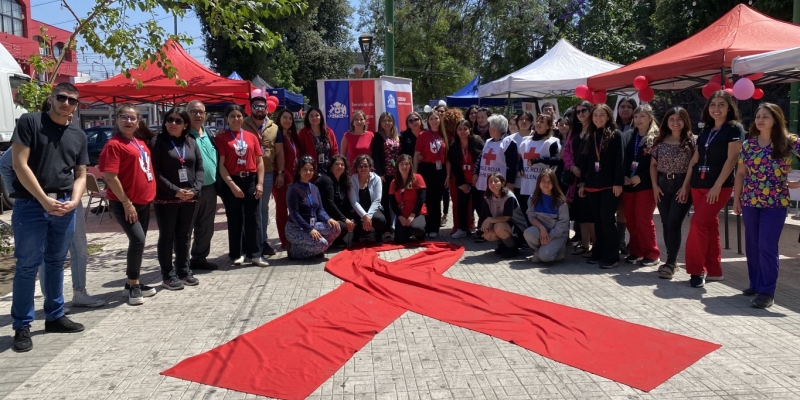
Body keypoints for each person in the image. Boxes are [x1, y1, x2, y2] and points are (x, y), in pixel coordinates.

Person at [9, 83, 89, 352]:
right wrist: (44, 200)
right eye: (62, 98)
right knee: (27, 266)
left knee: (56, 262)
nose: (67, 103)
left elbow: (80, 174)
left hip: (65, 205)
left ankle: (54, 316)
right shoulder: (30, 122)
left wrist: (75, 201)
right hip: (32, 205)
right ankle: (22, 325)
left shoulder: (78, 134)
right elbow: (19, 164)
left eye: (72, 101)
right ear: (51, 98)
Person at [733, 103, 799, 308]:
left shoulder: (790, 142)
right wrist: (736, 198)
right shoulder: (749, 145)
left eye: (766, 117)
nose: (760, 120)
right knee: (752, 245)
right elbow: (741, 173)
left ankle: (767, 292)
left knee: (767, 246)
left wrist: (797, 184)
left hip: (776, 203)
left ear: (776, 119)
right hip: (750, 201)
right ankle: (756, 284)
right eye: (758, 117)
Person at [684, 90, 744, 288]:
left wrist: (717, 185)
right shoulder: (705, 130)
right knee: (709, 226)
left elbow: (732, 159)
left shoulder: (734, 129)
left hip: (718, 186)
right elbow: (695, 159)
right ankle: (715, 271)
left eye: (721, 105)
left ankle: (696, 270)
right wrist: (685, 185)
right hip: (697, 184)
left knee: (697, 223)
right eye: (712, 105)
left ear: (729, 108)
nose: (716, 109)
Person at [99, 104, 157, 306]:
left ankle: (131, 283)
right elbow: (110, 176)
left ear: (138, 121)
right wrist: (126, 202)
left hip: (142, 201)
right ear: (117, 119)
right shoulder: (114, 144)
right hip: (125, 202)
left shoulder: (139, 141)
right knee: (138, 241)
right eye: (124, 117)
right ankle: (133, 284)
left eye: (132, 118)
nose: (128, 121)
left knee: (138, 243)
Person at [150, 107, 204, 290]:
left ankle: (183, 270)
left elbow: (199, 168)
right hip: (167, 197)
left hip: (189, 197)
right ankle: (168, 274)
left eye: (178, 121)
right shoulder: (158, 142)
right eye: (170, 119)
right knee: (167, 236)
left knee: (184, 235)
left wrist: (195, 189)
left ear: (185, 125)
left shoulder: (191, 142)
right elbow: (155, 172)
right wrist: (175, 190)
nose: (173, 123)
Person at [215, 105, 269, 267]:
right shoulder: (222, 138)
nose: (236, 119)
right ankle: (237, 253)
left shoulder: (251, 137)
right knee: (235, 218)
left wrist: (259, 183)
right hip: (232, 180)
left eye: (239, 116)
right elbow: (221, 165)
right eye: (232, 116)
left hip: (251, 179)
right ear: (227, 118)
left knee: (254, 218)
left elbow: (259, 162)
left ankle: (256, 254)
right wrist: (232, 185)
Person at [577, 104, 625, 268]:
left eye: (601, 115)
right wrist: (582, 182)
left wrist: (618, 182)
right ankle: (599, 251)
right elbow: (584, 163)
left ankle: (612, 256)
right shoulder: (590, 136)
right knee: (598, 221)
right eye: (595, 115)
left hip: (610, 186)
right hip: (591, 185)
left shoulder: (616, 135)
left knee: (606, 219)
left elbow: (620, 161)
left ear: (609, 116)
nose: (598, 118)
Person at [650, 107, 695, 279]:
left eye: (679, 119)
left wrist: (686, 187)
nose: (675, 122)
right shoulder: (659, 140)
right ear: (666, 122)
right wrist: (655, 186)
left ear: (685, 121)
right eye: (671, 119)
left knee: (674, 222)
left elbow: (692, 166)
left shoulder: (691, 141)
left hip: (682, 185)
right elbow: (653, 165)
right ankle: (672, 261)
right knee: (666, 223)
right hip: (662, 184)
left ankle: (670, 261)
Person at [621, 104, 660, 267]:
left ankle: (651, 253)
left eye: (642, 116)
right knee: (630, 219)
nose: (638, 120)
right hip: (628, 184)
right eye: (636, 116)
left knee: (643, 219)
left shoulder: (656, 138)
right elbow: (623, 158)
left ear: (650, 117)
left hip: (646, 185)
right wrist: (623, 176)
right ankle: (636, 251)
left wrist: (641, 178)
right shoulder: (629, 135)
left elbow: (657, 165)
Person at [242, 96, 279, 256]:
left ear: (267, 109)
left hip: (268, 173)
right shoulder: (243, 125)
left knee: (263, 210)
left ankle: (262, 241)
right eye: (256, 106)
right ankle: (248, 243)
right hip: (247, 175)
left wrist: (282, 172)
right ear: (251, 108)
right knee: (248, 210)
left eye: (262, 106)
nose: (259, 109)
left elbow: (280, 152)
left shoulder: (274, 128)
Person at [473, 114, 518, 243]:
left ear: (496, 128)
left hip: (499, 183)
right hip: (484, 181)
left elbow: (512, 165)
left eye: (491, 126)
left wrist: (510, 183)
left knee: (496, 209)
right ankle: (483, 230)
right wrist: (475, 173)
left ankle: (497, 233)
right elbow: (481, 159)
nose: (489, 128)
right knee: (483, 207)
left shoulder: (509, 142)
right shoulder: (488, 141)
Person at [187, 100, 220, 271]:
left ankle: (199, 258)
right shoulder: (184, 136)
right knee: (187, 226)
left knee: (206, 225)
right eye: (194, 111)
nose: (198, 115)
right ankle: (183, 263)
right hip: (191, 189)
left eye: (201, 112)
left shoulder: (208, 134)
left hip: (210, 187)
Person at [286, 156, 341, 258]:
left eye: (311, 170)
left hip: (313, 225)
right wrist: (309, 230)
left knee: (337, 227)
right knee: (323, 244)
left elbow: (320, 210)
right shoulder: (293, 189)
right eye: (305, 170)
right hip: (296, 228)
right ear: (299, 171)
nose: (308, 172)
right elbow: (294, 214)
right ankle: (293, 251)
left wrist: (328, 219)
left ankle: (314, 248)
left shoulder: (314, 188)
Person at [517, 114, 561, 218]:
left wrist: (539, 160)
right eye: (537, 121)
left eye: (542, 122)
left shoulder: (551, 141)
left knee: (540, 215)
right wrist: (520, 167)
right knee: (527, 212)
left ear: (548, 126)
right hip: (526, 183)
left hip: (542, 186)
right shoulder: (526, 140)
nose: (538, 124)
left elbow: (556, 160)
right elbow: (521, 157)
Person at [564, 101, 594, 256]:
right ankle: (584, 244)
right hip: (575, 177)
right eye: (578, 112)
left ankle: (597, 247)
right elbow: (567, 151)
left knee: (591, 214)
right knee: (581, 213)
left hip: (591, 177)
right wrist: (572, 167)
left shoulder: (596, 131)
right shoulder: (574, 131)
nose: (581, 113)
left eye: (584, 110)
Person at [414, 111, 448, 238]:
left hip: (440, 170)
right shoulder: (423, 135)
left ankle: (435, 227)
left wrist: (448, 176)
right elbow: (416, 155)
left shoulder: (445, 135)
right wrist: (415, 174)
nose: (434, 121)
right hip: (426, 169)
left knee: (436, 200)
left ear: (440, 120)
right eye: (431, 119)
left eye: (436, 118)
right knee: (426, 199)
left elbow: (448, 158)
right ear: (427, 121)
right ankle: (426, 227)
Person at [448, 120, 484, 238]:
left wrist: (477, 176)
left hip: (478, 179)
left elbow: (483, 160)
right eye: (460, 129)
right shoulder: (454, 146)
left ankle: (483, 230)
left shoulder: (477, 142)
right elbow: (454, 166)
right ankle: (462, 229)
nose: (462, 131)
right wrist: (462, 183)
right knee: (461, 205)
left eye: (465, 129)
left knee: (480, 205)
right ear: (456, 131)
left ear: (470, 130)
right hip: (463, 180)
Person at [524, 169, 570, 263]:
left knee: (545, 257)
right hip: (542, 230)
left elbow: (563, 224)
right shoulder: (533, 198)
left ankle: (558, 250)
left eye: (549, 182)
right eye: (543, 181)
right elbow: (531, 216)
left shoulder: (560, 201)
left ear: (554, 184)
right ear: (538, 182)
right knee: (528, 233)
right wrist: (541, 228)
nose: (546, 184)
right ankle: (539, 251)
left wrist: (550, 236)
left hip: (557, 234)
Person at [480, 172, 526, 257]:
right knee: (487, 234)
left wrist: (489, 220)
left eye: (496, 181)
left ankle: (513, 248)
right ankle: (502, 245)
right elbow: (488, 215)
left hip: (518, 227)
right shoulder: (487, 197)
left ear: (503, 183)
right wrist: (486, 225)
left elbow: (506, 218)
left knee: (499, 227)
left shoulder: (509, 196)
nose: (493, 184)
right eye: (490, 182)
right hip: (501, 223)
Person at [273, 107, 299, 250]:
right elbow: (275, 158)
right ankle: (284, 240)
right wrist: (285, 175)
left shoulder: (292, 136)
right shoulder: (276, 136)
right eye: (285, 118)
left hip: (295, 178)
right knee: (282, 210)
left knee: (295, 209)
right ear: (279, 119)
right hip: (281, 179)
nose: (288, 120)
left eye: (290, 118)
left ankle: (294, 236)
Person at [371, 112, 401, 238]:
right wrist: (380, 173)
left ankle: (398, 225)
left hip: (398, 174)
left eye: (389, 120)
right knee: (385, 200)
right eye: (384, 120)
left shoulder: (398, 136)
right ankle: (387, 227)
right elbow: (376, 157)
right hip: (385, 175)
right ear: (380, 123)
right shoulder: (377, 137)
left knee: (397, 200)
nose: (387, 123)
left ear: (393, 122)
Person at [316, 155, 355, 247]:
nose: (340, 166)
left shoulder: (342, 180)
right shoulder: (326, 180)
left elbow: (344, 201)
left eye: (342, 164)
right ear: (331, 166)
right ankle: (330, 240)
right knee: (343, 226)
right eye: (337, 164)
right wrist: (344, 219)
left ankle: (337, 238)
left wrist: (352, 217)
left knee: (352, 213)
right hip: (322, 215)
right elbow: (329, 204)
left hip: (333, 213)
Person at [615, 97, 638, 255]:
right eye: (622, 106)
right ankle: (618, 240)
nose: (625, 109)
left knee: (627, 210)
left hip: (633, 177)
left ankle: (625, 242)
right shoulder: (612, 126)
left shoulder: (638, 128)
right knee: (616, 209)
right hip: (615, 175)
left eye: (629, 107)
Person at [389, 154, 428, 244]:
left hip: (416, 213)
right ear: (397, 165)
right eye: (401, 164)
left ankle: (419, 232)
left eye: (407, 164)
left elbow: (421, 199)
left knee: (417, 229)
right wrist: (400, 217)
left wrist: (412, 215)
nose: (404, 166)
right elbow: (392, 203)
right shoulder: (394, 182)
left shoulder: (418, 178)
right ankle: (408, 231)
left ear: (411, 166)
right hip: (402, 215)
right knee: (400, 240)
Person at [349, 155, 386, 243]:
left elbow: (377, 200)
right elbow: (353, 201)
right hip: (357, 210)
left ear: (370, 167)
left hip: (373, 209)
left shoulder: (376, 179)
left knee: (380, 219)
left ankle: (378, 234)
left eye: (366, 165)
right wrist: (364, 216)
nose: (363, 168)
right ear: (356, 168)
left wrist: (368, 216)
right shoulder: (352, 180)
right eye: (360, 166)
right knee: (356, 223)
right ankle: (357, 234)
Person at [297, 107, 338, 177]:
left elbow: (335, 151)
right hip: (311, 172)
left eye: (317, 115)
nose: (314, 118)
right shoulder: (303, 133)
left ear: (321, 117)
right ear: (308, 118)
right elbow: (300, 153)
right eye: (311, 116)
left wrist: (335, 166)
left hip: (328, 172)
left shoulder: (329, 132)